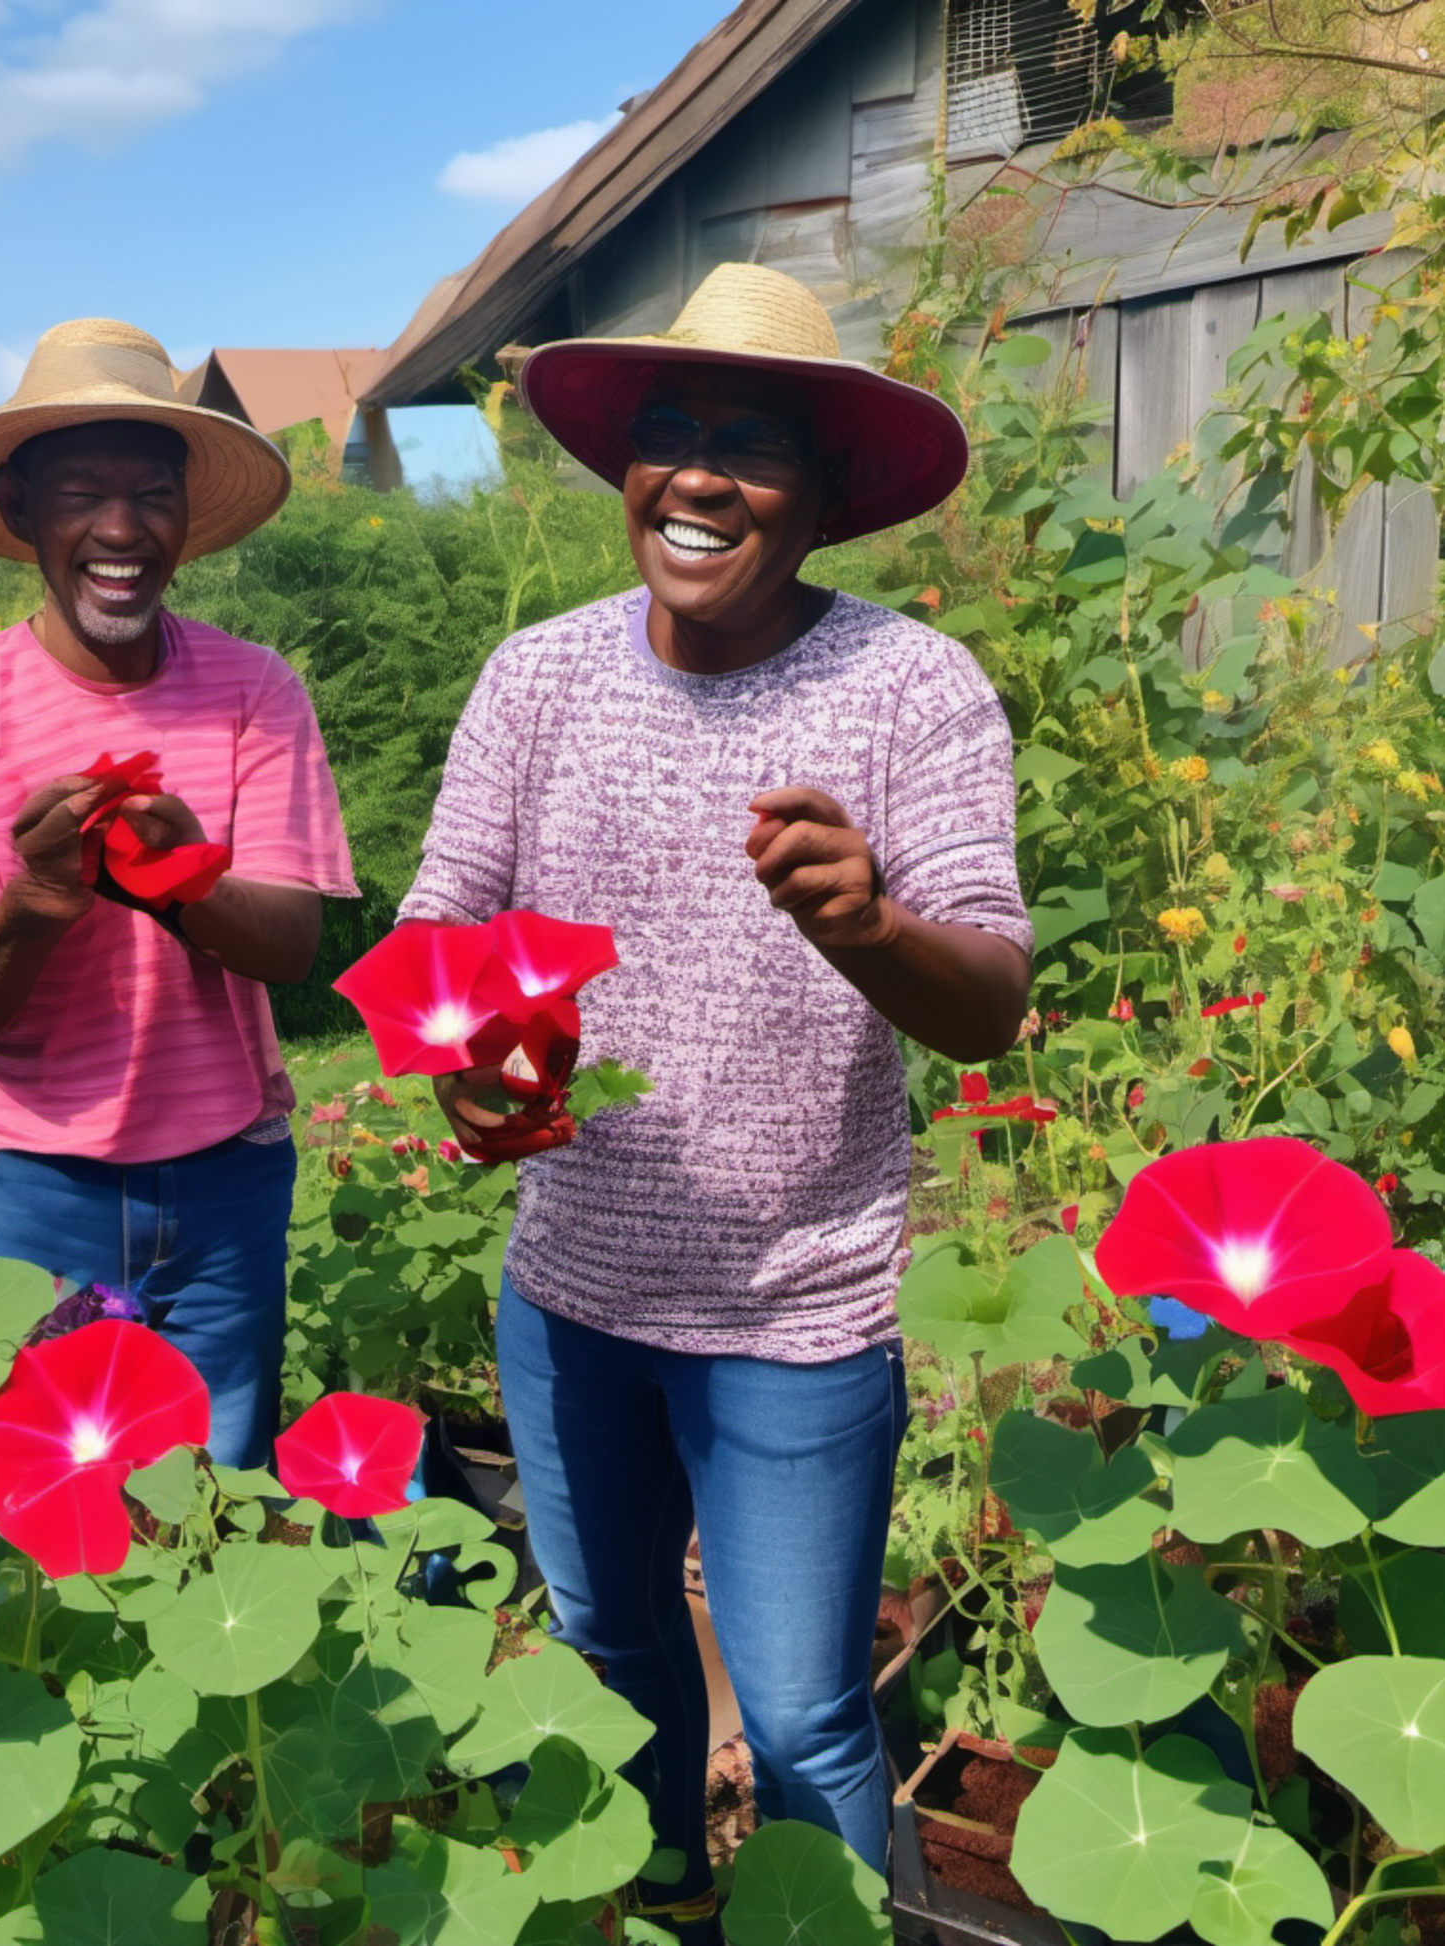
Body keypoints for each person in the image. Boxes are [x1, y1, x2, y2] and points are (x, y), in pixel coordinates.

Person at [402, 264, 1032, 1935]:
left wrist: (869, 925)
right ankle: (664, 1899)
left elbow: (987, 1000)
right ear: (624, 472)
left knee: (810, 1702)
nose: (695, 476)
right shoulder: (535, 680)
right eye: (664, 435)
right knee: (611, 1658)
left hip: (796, 1312)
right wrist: (471, 1065)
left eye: (747, 442)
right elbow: (438, 923)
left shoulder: (910, 691)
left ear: (821, 496)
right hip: (570, 1298)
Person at [0, 318, 356, 1467]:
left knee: (215, 1488)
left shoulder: (253, 691)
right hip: (32, 1184)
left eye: (152, 491)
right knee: (38, 1495)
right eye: (83, 489)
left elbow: (291, 944)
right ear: (18, 507)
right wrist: (41, 899)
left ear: (185, 517)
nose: (121, 527)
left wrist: (178, 879)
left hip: (227, 1177)